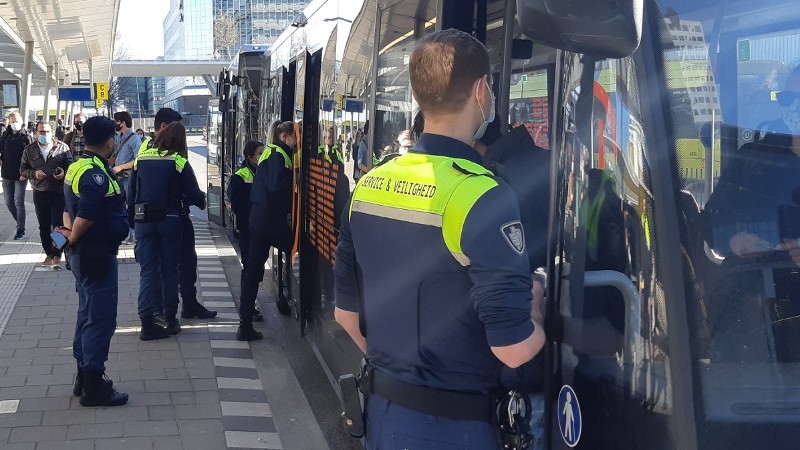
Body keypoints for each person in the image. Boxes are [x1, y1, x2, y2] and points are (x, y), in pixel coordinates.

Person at [333, 29, 545, 448]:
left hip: (383, 415)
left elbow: (346, 317)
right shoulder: (483, 195)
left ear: (419, 96)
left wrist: (398, 368)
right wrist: (536, 311)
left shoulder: (370, 184)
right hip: (455, 427)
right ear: (482, 91)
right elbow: (514, 349)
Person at [58, 116, 129, 407]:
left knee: (86, 315)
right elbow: (85, 216)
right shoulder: (95, 174)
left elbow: (66, 210)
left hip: (84, 255)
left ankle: (82, 376)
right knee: (100, 319)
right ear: (110, 141)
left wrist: (68, 241)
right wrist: (72, 239)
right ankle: (94, 385)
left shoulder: (78, 166)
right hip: (95, 254)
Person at [128, 121, 206, 340]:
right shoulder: (179, 161)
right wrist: (202, 202)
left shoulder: (141, 160)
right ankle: (170, 319)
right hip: (170, 219)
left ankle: (147, 321)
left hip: (143, 220)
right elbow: (193, 193)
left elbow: (131, 192)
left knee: (148, 271)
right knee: (170, 269)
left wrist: (132, 220)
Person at [144, 108, 216, 321]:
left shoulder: (144, 151)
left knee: (159, 267)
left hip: (148, 218)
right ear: (166, 127)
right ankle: (176, 310)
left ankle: (161, 310)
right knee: (177, 264)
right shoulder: (174, 157)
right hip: (174, 216)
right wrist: (200, 200)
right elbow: (189, 188)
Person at [237, 121, 295, 341]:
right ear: (284, 135)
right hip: (270, 219)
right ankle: (298, 298)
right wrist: (295, 180)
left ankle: (245, 324)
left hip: (259, 217)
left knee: (253, 270)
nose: (295, 141)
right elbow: (276, 186)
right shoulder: (278, 155)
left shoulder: (271, 152)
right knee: (301, 250)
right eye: (293, 136)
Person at [20, 121, 73, 266]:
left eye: (47, 132)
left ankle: (57, 254)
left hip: (58, 191)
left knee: (58, 225)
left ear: (52, 132)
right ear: (36, 133)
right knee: (44, 225)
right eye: (42, 132)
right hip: (39, 191)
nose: (45, 134)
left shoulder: (62, 147)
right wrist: (34, 173)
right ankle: (48, 253)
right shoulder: (29, 149)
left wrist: (63, 173)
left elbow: (71, 166)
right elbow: (23, 169)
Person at [229, 140, 264, 286]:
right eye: (259, 154)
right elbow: (237, 204)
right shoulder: (240, 176)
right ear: (249, 157)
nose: (262, 157)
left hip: (260, 228)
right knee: (249, 267)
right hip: (247, 228)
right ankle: (247, 305)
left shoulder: (263, 172)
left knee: (257, 268)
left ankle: (249, 303)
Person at [110, 111, 143, 245]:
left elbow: (138, 160)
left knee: (131, 205)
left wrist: (121, 167)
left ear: (123, 122)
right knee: (120, 205)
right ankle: (125, 232)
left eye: (116, 121)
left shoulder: (134, 139)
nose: (115, 124)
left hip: (129, 177)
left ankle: (133, 233)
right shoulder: (119, 137)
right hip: (118, 177)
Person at [0, 111, 34, 240]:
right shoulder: (5, 135)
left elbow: (31, 157)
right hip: (7, 173)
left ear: (21, 121)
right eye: (12, 121)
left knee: (19, 201)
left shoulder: (26, 137)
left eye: (16, 121)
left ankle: (21, 230)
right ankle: (20, 221)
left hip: (21, 175)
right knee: (9, 202)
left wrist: (26, 172)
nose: (15, 124)